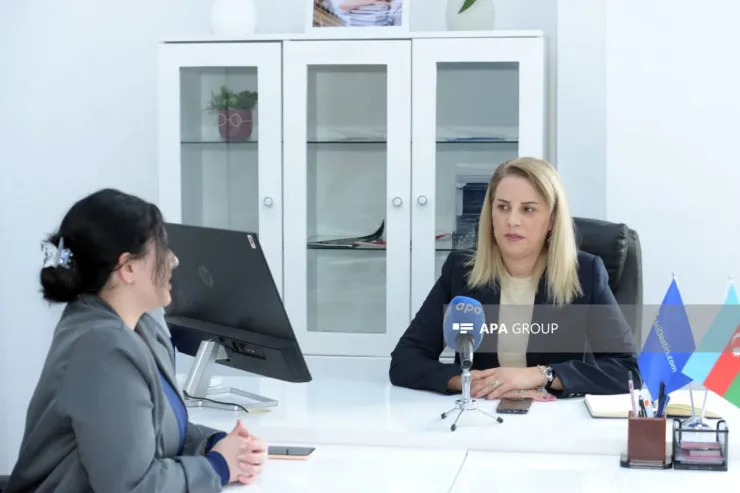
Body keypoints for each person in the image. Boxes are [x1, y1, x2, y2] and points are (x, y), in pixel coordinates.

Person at [6, 189, 266, 493]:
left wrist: (215, 445)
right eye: (162, 249)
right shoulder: (102, 348)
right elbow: (133, 487)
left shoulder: (142, 328)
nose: (174, 260)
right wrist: (218, 467)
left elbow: (153, 433)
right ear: (128, 267)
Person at [389, 157, 640, 401]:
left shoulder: (585, 273)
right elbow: (406, 360)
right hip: (482, 409)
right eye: (503, 207)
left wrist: (540, 375)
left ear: (552, 220)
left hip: (553, 416)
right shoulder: (462, 270)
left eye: (528, 209)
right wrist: (467, 381)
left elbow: (627, 370)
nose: (512, 221)